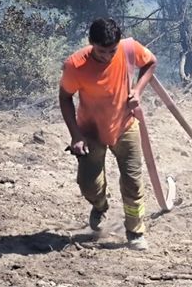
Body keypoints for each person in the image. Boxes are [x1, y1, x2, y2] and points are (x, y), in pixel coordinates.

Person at [58, 18, 157, 251]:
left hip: (125, 126)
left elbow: (151, 63)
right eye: (102, 51)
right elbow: (65, 98)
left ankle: (135, 232)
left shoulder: (129, 49)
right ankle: (100, 205)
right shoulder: (75, 65)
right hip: (90, 131)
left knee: (133, 182)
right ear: (91, 43)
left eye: (112, 50)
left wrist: (137, 90)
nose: (108, 56)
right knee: (88, 185)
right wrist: (75, 135)